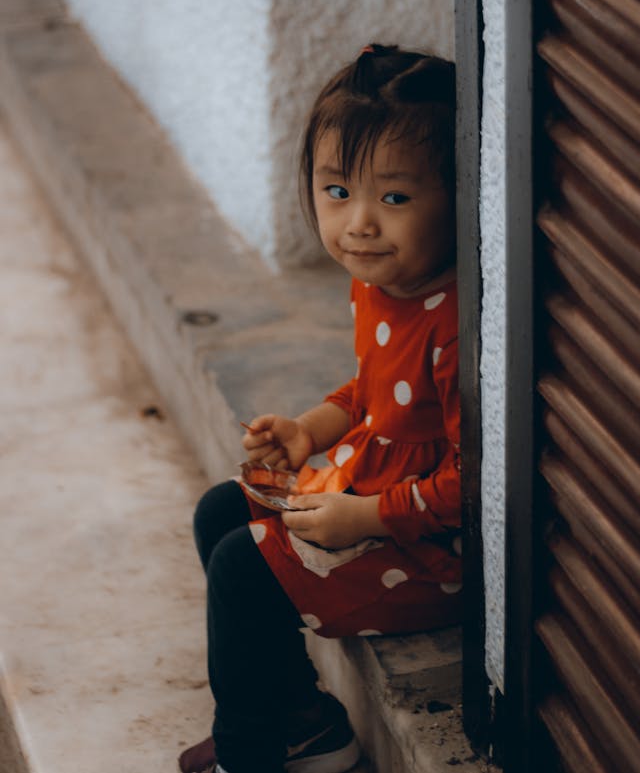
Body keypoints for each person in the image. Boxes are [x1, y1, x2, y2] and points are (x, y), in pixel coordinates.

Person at [179, 44, 462, 773]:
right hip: (375, 497)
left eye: (394, 198)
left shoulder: (459, 326)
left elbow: (475, 485)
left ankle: (251, 754)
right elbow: (371, 390)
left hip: (431, 551)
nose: (359, 223)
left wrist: (364, 518)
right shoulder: (380, 283)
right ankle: (307, 723)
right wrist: (310, 429)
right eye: (338, 190)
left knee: (245, 566)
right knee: (220, 511)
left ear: (464, 196)